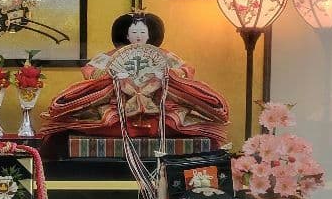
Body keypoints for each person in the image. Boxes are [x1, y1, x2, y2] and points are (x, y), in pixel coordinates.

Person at [39, 10, 229, 148]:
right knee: (90, 116)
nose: (138, 37)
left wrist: (166, 76)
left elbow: (185, 70)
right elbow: (92, 71)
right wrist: (113, 77)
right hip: (118, 106)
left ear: (150, 35)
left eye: (142, 33)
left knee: (178, 115)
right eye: (134, 33)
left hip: (159, 106)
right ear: (126, 35)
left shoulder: (164, 55)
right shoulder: (111, 56)